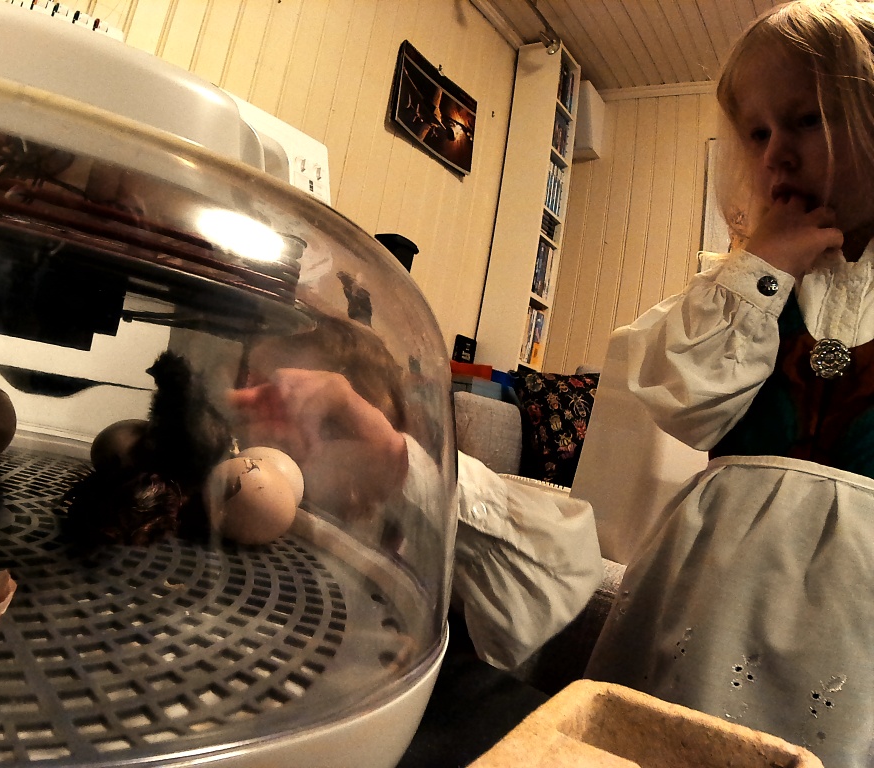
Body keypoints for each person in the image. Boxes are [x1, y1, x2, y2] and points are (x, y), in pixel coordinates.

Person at [583, 3, 874, 765]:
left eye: (805, 120)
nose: (777, 153)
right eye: (756, 133)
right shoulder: (739, 287)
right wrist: (762, 268)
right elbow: (686, 398)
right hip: (721, 582)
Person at [229, 313, 601, 671]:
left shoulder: (410, 520)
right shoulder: (246, 492)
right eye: (253, 393)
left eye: (283, 405)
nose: (262, 425)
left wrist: (394, 461)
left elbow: (568, 573)